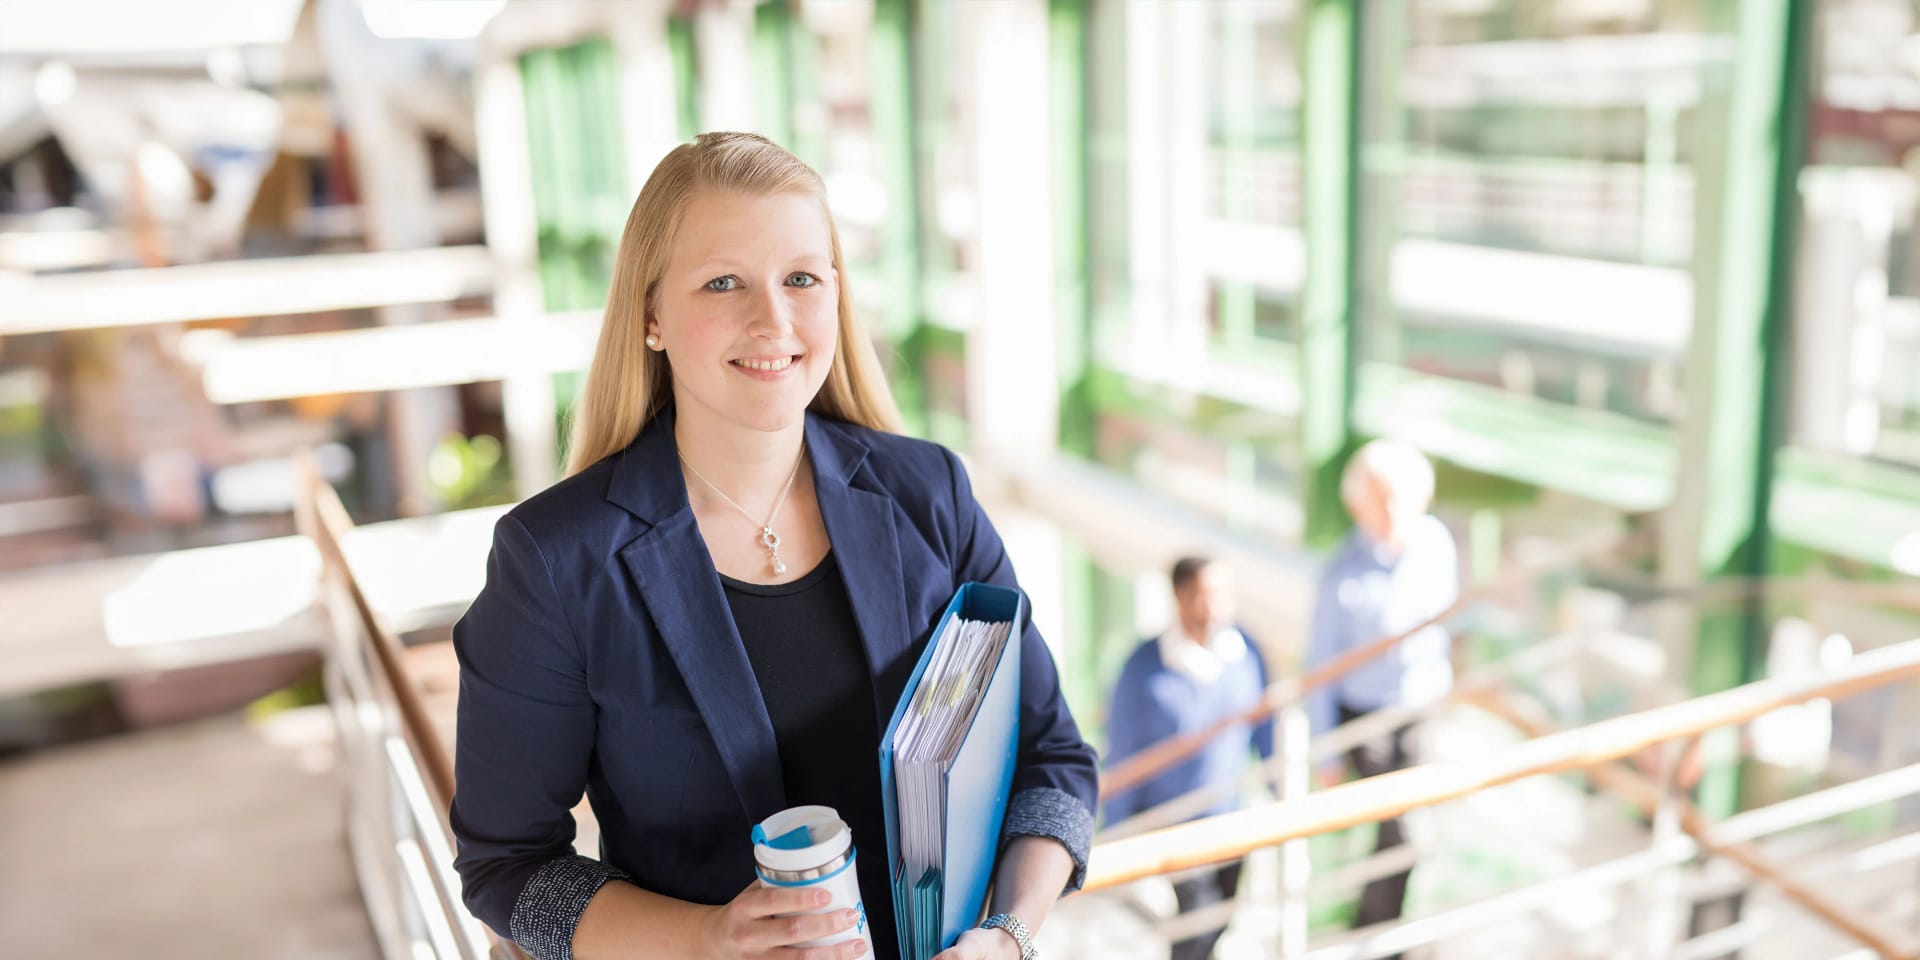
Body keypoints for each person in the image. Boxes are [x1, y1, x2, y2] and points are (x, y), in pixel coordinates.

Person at [449, 133, 1098, 960]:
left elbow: (1054, 762)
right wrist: (706, 939)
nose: (774, 319)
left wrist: (1006, 939)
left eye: (801, 278)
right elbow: (509, 867)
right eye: (724, 282)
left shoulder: (927, 494)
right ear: (650, 316)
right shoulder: (554, 560)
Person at [1306, 440, 1459, 945]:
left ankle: (1384, 934)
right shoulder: (1341, 570)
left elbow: (1448, 621)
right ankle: (1379, 937)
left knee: (1405, 833)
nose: (1392, 511)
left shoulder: (1436, 544)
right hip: (1365, 719)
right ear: (1359, 505)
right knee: (1398, 831)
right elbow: (1322, 664)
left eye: (1399, 496)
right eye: (1380, 499)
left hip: (1420, 707)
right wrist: (1324, 745)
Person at [1104, 556, 1274, 960]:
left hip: (1230, 817)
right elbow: (1123, 749)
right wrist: (1117, 829)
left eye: (1223, 595)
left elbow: (1265, 725)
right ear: (1180, 597)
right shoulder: (1143, 667)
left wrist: (1278, 787)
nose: (1215, 606)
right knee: (1196, 921)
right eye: (1204, 595)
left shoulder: (1246, 652)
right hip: (1174, 821)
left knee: (1221, 918)